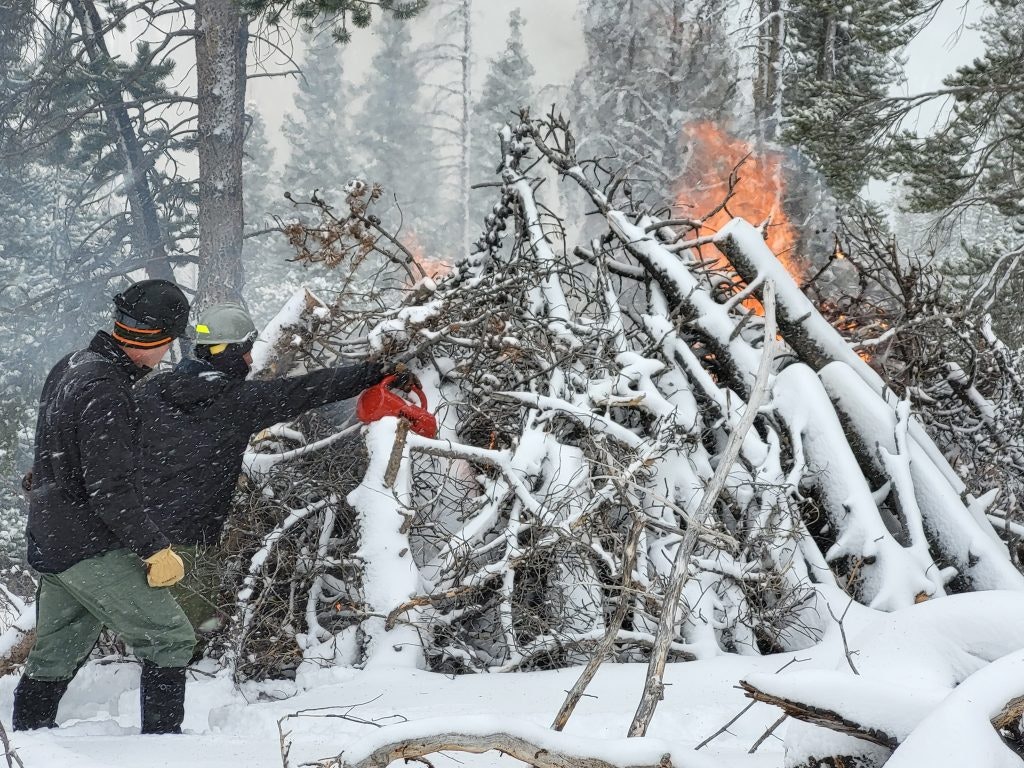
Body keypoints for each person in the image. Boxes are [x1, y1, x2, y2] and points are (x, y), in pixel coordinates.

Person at [136, 302, 408, 638]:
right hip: (189, 535)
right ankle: (182, 669)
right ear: (226, 352)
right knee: (183, 630)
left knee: (154, 614)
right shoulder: (233, 401)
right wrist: (375, 371)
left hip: (138, 529)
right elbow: (308, 390)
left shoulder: (152, 390)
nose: (250, 361)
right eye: (246, 352)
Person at [13, 279, 196, 735]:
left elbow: (54, 452)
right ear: (159, 340)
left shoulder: (73, 363)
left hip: (52, 536)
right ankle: (165, 750)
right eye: (169, 342)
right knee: (170, 638)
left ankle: (28, 743)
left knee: (57, 650)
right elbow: (108, 490)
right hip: (87, 543)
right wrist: (154, 548)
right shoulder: (107, 389)